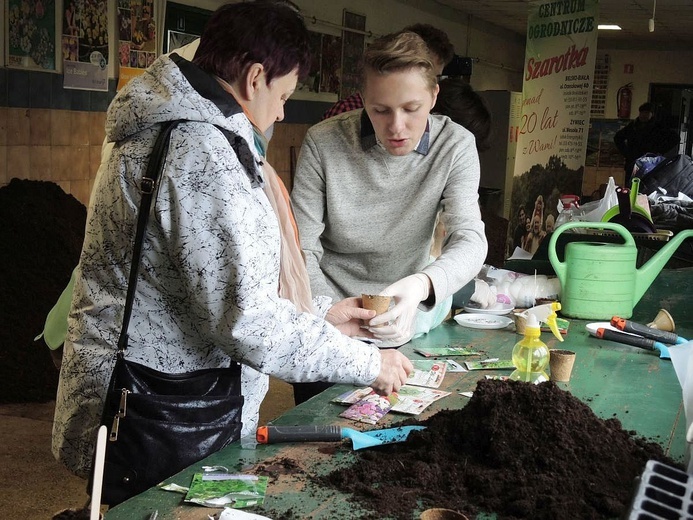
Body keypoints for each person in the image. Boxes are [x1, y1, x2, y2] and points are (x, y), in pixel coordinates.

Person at [52, 1, 412, 480]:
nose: (282, 111)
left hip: (143, 392)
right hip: (157, 406)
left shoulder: (168, 125)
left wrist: (321, 313)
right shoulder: (201, 154)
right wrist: (369, 364)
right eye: (284, 94)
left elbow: (203, 282)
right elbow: (248, 324)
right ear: (256, 77)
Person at [290, 31, 487, 402]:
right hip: (330, 329)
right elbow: (300, 249)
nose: (396, 127)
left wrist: (421, 286)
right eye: (380, 110)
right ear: (364, 101)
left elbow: (470, 239)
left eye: (411, 109)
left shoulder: (456, 145)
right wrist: (327, 313)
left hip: (400, 327)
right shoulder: (324, 142)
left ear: (433, 97)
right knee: (318, 440)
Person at [321, 23, 455, 120]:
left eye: (435, 77)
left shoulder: (449, 137)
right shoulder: (344, 112)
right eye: (381, 110)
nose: (397, 127)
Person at [614, 102, 679, 183]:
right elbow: (618, 138)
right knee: (630, 186)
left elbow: (675, 138)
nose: (644, 115)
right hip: (633, 161)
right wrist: (626, 153)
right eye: (642, 112)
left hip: (650, 163)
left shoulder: (659, 127)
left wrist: (661, 150)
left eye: (647, 113)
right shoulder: (633, 126)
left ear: (652, 114)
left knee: (647, 186)